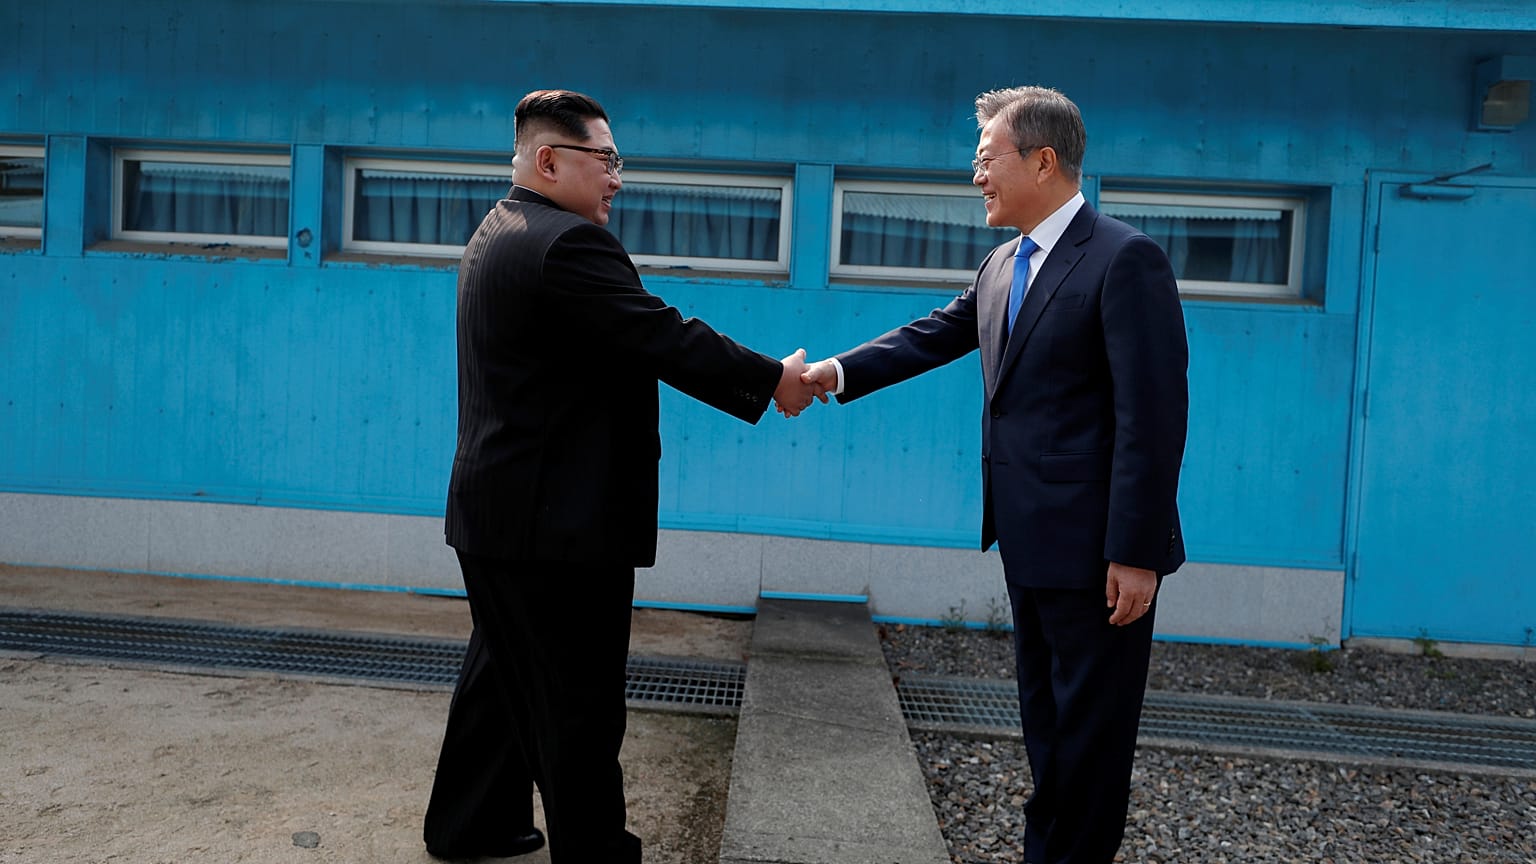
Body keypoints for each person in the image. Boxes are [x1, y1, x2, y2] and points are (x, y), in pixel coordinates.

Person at [423, 88, 817, 862]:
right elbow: (661, 336)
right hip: (557, 530)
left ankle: (470, 824)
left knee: (503, 681)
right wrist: (773, 379)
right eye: (603, 160)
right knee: (577, 708)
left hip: (499, 515)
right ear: (548, 160)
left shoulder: (500, 229)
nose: (616, 178)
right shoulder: (568, 244)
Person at [801, 85, 1188, 864]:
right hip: (1027, 542)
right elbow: (932, 335)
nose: (976, 176)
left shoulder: (1124, 259)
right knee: (1046, 724)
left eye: (986, 159)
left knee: (1092, 736)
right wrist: (834, 373)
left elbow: (1153, 416)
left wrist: (1137, 551)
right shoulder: (1003, 264)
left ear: (1043, 162)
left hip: (1099, 555)